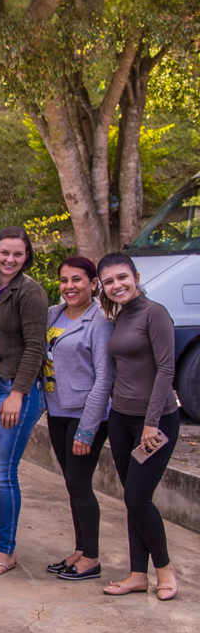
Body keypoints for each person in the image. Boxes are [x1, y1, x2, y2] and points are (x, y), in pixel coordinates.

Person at [97, 253, 180, 601]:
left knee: (137, 497)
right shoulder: (119, 316)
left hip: (155, 422)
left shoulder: (155, 313)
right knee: (132, 500)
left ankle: (165, 571)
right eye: (109, 281)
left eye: (122, 278)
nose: (117, 285)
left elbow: (166, 370)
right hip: (121, 419)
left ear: (136, 276)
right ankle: (136, 575)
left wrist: (150, 422)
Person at [0, 227, 49, 575]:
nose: (10, 259)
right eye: (5, 253)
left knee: (4, 473)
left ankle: (7, 549)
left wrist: (18, 393)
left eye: (18, 254)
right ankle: (1, 541)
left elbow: (36, 346)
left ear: (27, 255)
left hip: (12, 390)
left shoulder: (29, 292)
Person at [43, 257, 113, 582]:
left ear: (93, 283)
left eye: (78, 280)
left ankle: (93, 558)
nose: (70, 286)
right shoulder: (53, 315)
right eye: (64, 280)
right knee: (72, 486)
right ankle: (80, 550)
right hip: (56, 411)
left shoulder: (100, 321)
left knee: (80, 485)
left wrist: (88, 428)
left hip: (84, 414)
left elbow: (104, 379)